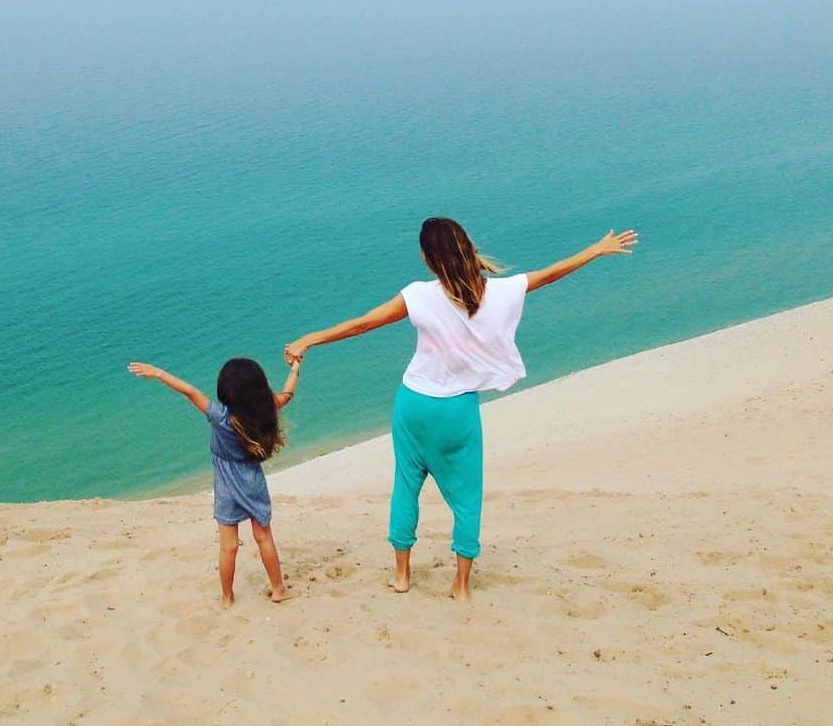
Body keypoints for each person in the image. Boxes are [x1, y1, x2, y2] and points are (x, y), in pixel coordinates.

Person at [284, 217, 638, 600]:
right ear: (466, 248)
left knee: (406, 486)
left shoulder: (417, 295)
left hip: (413, 404)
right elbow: (549, 275)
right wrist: (595, 250)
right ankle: (462, 586)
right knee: (467, 498)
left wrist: (311, 339)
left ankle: (402, 576)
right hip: (457, 412)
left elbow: (363, 325)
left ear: (427, 258)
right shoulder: (498, 293)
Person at [128, 355, 301, 607]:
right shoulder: (265, 410)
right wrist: (295, 368)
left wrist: (158, 373)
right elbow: (287, 393)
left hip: (225, 486)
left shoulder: (220, 417)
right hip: (252, 481)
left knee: (228, 547)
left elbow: (189, 391)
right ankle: (278, 589)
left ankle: (227, 598)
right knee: (263, 536)